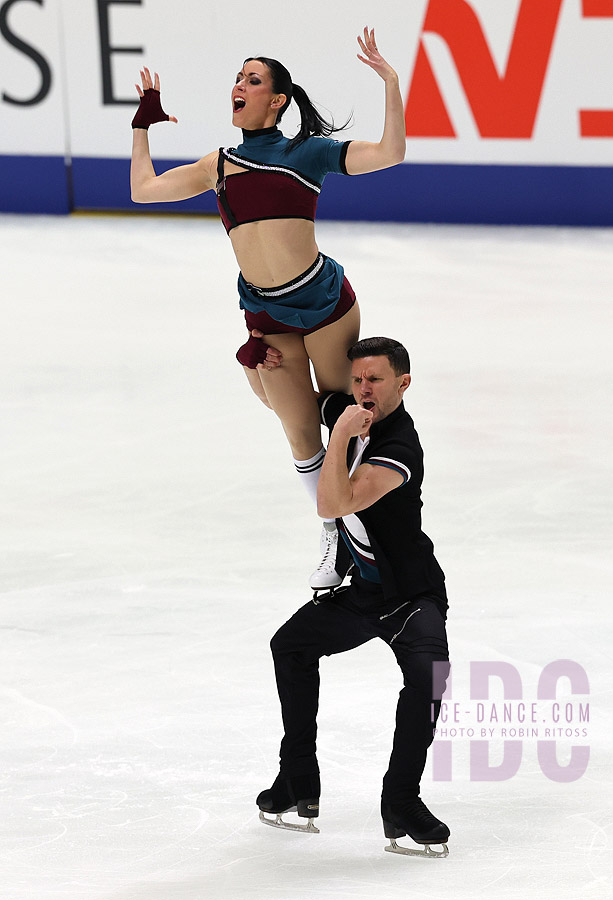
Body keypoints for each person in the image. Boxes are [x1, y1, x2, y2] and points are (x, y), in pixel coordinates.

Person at [129, 28, 406, 589]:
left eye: (252, 80)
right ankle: (336, 530)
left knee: (341, 416)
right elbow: (143, 189)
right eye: (238, 78)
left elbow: (391, 153)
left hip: (325, 304)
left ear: (276, 100)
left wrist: (391, 83)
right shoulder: (220, 164)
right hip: (267, 316)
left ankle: (374, 512)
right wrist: (142, 126)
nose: (239, 86)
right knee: (301, 432)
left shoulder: (307, 151)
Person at [256, 337, 451, 857]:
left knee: (428, 684)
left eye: (376, 381)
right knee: (291, 647)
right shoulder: (348, 409)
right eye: (358, 380)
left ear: (403, 384)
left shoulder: (398, 447)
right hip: (365, 593)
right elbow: (279, 399)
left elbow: (332, 500)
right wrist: (259, 366)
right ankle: (298, 778)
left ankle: (401, 803)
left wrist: (340, 433)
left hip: (412, 598)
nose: (363, 390)